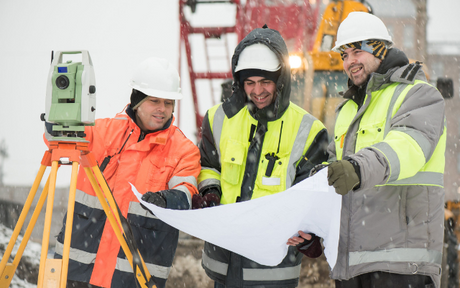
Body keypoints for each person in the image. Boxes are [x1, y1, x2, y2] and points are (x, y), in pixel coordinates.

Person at [288, 12, 446, 288]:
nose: (349, 62)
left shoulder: (418, 95)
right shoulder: (346, 110)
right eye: (344, 56)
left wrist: (357, 168)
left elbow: (406, 147)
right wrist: (316, 232)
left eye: (356, 51)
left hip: (401, 265)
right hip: (351, 267)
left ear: (379, 48)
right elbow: (339, 185)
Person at [47, 57, 201, 288]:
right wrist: (59, 117)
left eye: (169, 103)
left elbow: (185, 193)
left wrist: (167, 198)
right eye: (154, 101)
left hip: (134, 277)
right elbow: (56, 140)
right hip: (78, 272)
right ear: (137, 100)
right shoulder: (101, 132)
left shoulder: (183, 149)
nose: (163, 109)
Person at [194, 25, 329, 288]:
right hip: (223, 265)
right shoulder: (217, 119)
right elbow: (208, 166)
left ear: (281, 80)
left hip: (273, 273)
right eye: (250, 83)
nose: (258, 91)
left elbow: (315, 196)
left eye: (266, 81)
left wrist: (313, 236)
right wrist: (210, 191)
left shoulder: (309, 130)